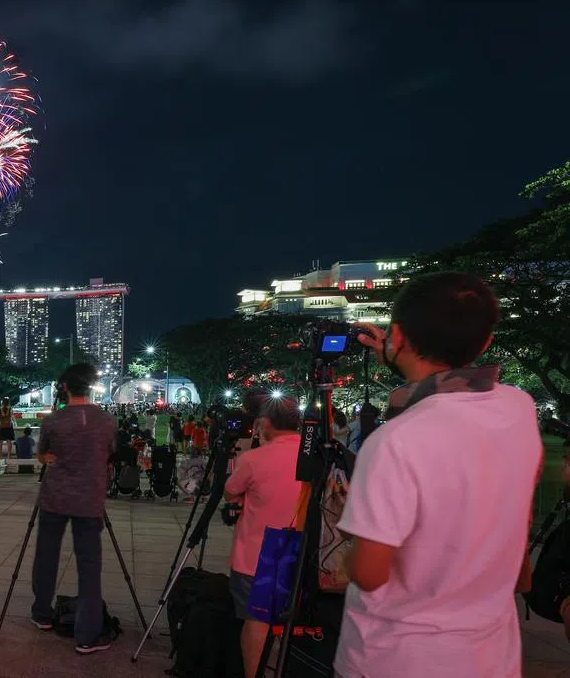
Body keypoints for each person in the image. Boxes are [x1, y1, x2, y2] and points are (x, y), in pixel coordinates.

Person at [334, 272, 542, 678]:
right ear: (484, 342)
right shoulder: (519, 408)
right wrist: (403, 359)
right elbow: (450, 405)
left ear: (397, 335)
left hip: (396, 658)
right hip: (490, 656)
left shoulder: (394, 442)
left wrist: (351, 543)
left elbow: (370, 574)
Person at [30, 364, 117, 655]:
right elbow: (109, 454)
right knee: (89, 567)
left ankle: (42, 612)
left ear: (64, 387)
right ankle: (87, 634)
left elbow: (43, 454)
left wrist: (50, 457)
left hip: (55, 497)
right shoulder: (106, 421)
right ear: (91, 386)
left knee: (46, 555)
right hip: (89, 500)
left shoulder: (52, 421)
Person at [222, 396, 304, 678]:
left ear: (265, 423)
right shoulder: (314, 456)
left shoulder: (254, 458)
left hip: (257, 555)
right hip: (301, 552)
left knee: (256, 620)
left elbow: (230, 491)